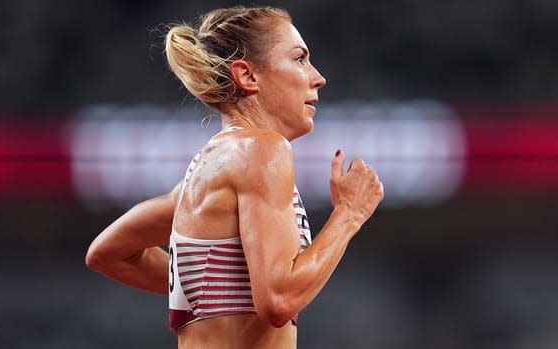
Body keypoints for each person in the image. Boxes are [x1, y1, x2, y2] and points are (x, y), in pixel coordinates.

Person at [85, 6, 384, 349]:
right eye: (299, 59)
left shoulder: (202, 174)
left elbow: (107, 253)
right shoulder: (263, 150)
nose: (317, 77)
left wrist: (205, 285)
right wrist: (349, 214)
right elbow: (278, 301)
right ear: (248, 76)